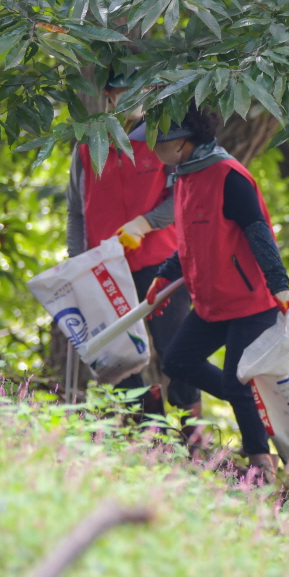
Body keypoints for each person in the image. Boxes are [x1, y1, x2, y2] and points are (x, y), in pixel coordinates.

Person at [131, 106, 289, 484]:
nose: (152, 149)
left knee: (236, 383)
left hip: (249, 300)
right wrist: (164, 276)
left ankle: (261, 465)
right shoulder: (185, 176)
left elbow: (258, 231)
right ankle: (259, 405)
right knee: (178, 362)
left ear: (182, 142)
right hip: (211, 301)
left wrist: (280, 285)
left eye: (157, 142)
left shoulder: (228, 176)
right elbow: (191, 240)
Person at [65, 74, 200, 425]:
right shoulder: (87, 146)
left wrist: (146, 222)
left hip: (161, 263)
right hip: (105, 269)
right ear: (108, 94)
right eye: (124, 91)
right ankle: (150, 431)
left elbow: (182, 195)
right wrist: (76, 264)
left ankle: (193, 432)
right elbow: (76, 210)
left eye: (140, 90)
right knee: (118, 357)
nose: (133, 98)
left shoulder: (163, 137)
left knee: (175, 351)